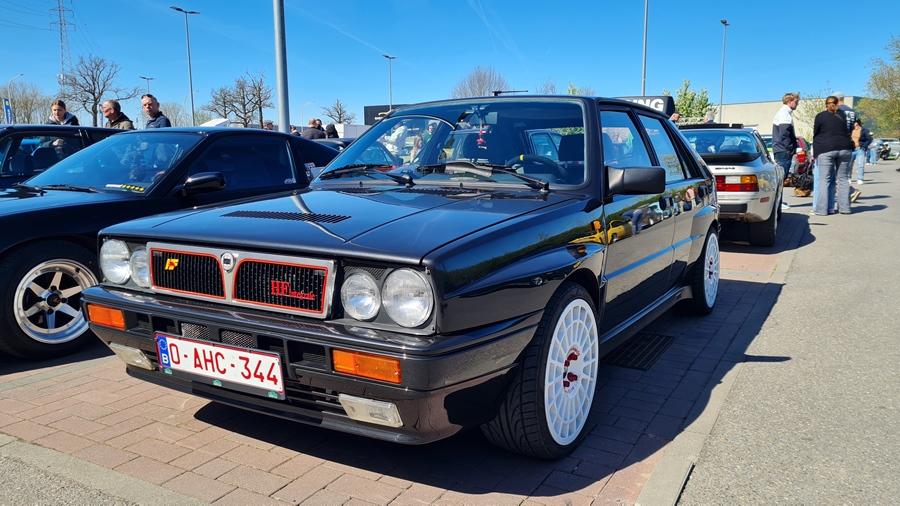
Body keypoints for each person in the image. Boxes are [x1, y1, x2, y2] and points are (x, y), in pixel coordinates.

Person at [811, 96, 854, 216]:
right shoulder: (844, 115)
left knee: (824, 180)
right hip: (845, 148)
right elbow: (849, 130)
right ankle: (845, 208)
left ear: (825, 104)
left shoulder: (820, 116)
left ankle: (821, 210)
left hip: (826, 148)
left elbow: (816, 132)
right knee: (843, 179)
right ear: (837, 104)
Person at [772, 92, 800, 210]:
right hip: (784, 150)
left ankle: (778, 203)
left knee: (780, 178)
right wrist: (790, 148)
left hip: (781, 150)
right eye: (796, 102)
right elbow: (784, 134)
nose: (797, 104)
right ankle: (777, 204)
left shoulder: (782, 113)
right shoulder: (785, 114)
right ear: (789, 101)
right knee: (781, 179)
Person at [834, 92, 861, 201]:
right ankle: (845, 192)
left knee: (834, 171)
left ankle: (849, 191)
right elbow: (855, 125)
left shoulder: (838, 110)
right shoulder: (851, 111)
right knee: (843, 171)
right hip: (847, 142)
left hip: (837, 142)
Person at [851, 119, 871, 185]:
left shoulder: (864, 130)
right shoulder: (850, 130)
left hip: (860, 149)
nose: (853, 124)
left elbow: (869, 139)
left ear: (857, 123)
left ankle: (860, 179)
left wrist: (864, 146)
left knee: (860, 165)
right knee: (849, 165)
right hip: (851, 149)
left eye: (854, 122)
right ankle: (848, 178)